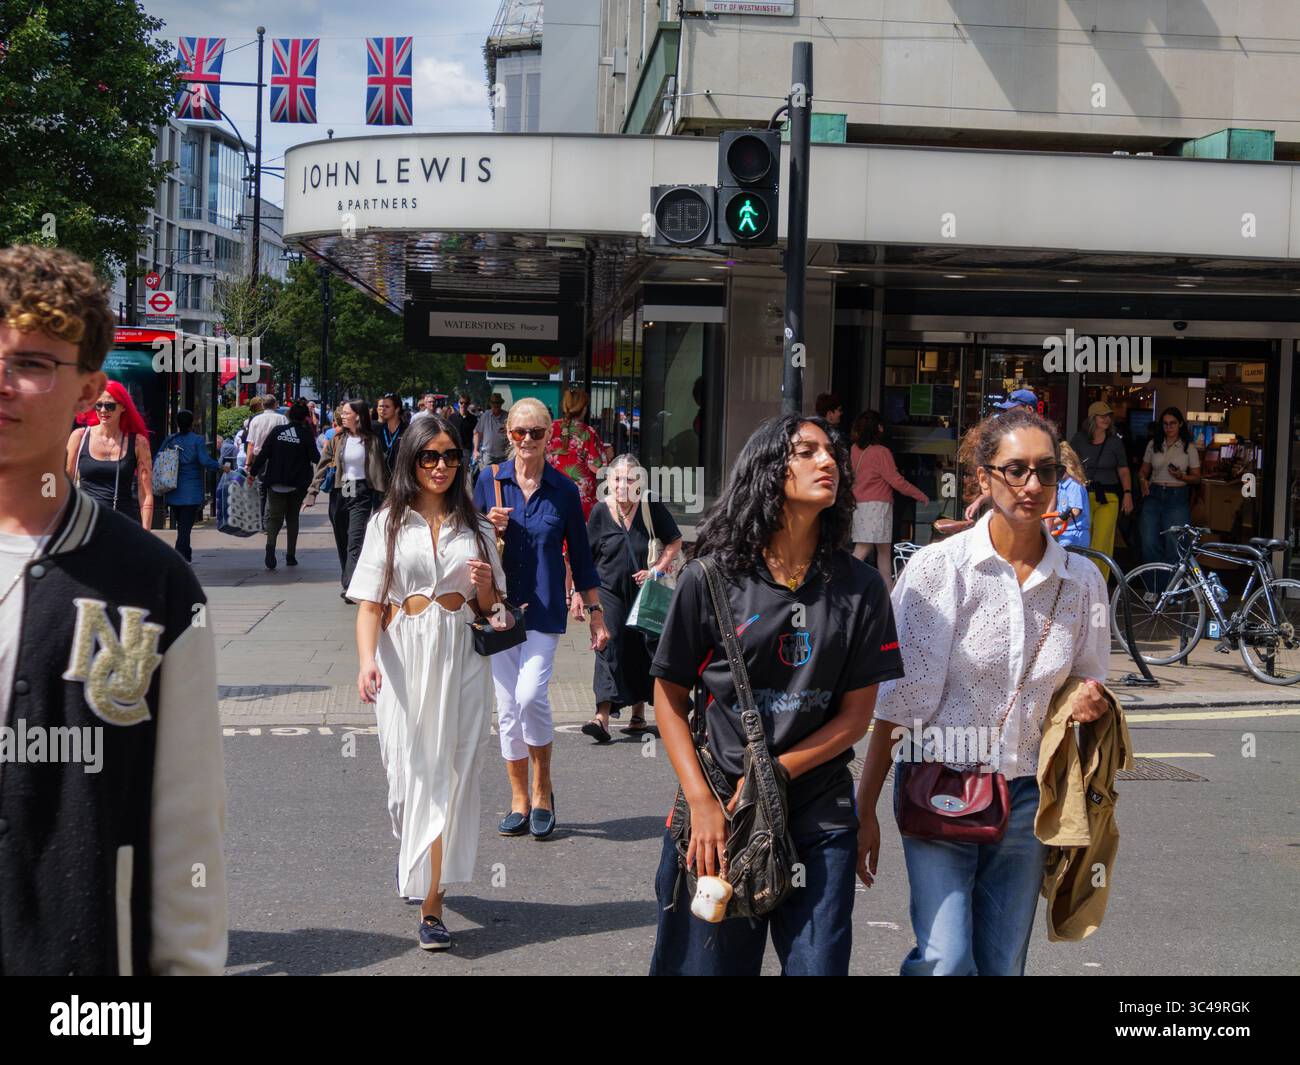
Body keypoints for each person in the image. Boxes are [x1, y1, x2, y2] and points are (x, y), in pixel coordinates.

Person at [0, 244, 225, 974]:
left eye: (33, 363)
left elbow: (187, 840)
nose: (3, 382)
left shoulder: (156, 590)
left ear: (88, 388)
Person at [647, 413, 904, 976]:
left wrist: (780, 772)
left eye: (831, 452)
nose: (828, 461)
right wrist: (700, 802)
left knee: (818, 968)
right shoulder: (710, 578)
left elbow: (857, 716)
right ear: (767, 470)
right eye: (806, 451)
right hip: (723, 815)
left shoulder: (861, 588)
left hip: (820, 815)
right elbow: (667, 697)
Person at [858, 406, 1110, 976]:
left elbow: (1090, 676)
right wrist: (865, 807)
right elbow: (895, 706)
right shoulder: (937, 571)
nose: (1032, 485)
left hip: (1026, 795)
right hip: (938, 783)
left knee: (1002, 964)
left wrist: (1086, 698)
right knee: (946, 960)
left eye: (1046, 471)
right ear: (983, 476)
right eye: (1015, 469)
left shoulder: (1083, 582)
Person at [351, 415, 512, 951]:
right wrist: (366, 661)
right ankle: (416, 857)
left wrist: (487, 588)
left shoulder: (479, 527)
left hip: (460, 655)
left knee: (447, 777)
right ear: (411, 461)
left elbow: (494, 611)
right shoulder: (387, 522)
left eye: (449, 456)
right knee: (405, 780)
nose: (441, 466)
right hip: (404, 657)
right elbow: (370, 603)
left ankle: (432, 904)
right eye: (429, 457)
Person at [473, 397, 609, 839]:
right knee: (508, 708)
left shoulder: (564, 490)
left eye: (536, 433)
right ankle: (518, 797)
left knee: (531, 696)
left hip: (545, 610)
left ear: (550, 436)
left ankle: (543, 788)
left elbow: (583, 559)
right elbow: (462, 541)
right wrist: (484, 525)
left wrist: (595, 612)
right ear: (507, 434)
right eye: (518, 432)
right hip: (498, 610)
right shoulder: (489, 481)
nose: (527, 440)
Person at [581, 454, 682, 743]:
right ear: (608, 482)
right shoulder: (600, 512)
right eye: (617, 479)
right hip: (608, 588)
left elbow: (674, 541)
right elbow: (587, 556)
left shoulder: (650, 506)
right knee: (607, 642)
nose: (623, 484)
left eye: (630, 479)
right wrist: (579, 594)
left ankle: (638, 714)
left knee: (641, 646)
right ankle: (601, 716)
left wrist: (656, 570)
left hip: (645, 590)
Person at [306, 400, 390, 598]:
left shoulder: (372, 440)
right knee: (342, 538)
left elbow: (380, 470)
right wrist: (312, 492)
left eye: (346, 413)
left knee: (355, 538)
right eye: (342, 413)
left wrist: (387, 496)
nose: (342, 416)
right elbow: (322, 466)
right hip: (342, 489)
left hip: (362, 490)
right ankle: (348, 575)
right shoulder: (337, 439)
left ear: (358, 416)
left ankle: (351, 585)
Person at [849, 410, 928, 595]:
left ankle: (890, 595)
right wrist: (919, 494)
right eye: (880, 425)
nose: (883, 428)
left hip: (860, 505)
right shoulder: (881, 452)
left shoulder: (855, 449)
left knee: (882, 552)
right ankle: (842, 584)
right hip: (878, 506)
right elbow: (896, 480)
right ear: (876, 428)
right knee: (867, 550)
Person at [66, 379, 154, 528]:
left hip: (123, 523)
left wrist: (146, 532)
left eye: (110, 406)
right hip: (85, 524)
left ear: (123, 407)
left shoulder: (138, 443)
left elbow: (145, 493)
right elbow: (64, 480)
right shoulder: (79, 437)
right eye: (98, 405)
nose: (103, 410)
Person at [1068, 401, 1133, 581]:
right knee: (1082, 540)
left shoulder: (1114, 442)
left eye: (1108, 416)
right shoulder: (1079, 439)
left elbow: (1124, 470)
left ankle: (1098, 584)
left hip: (1109, 497)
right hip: (1084, 495)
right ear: (1092, 418)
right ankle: (1080, 581)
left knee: (1102, 542)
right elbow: (1070, 466)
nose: (1106, 419)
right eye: (1102, 416)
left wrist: (1128, 494)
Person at [251, 400, 319, 570]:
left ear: (288, 416)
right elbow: (316, 457)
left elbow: (264, 454)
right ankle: (290, 555)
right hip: (297, 483)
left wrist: (252, 473)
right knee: (292, 518)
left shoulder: (277, 431)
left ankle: (270, 546)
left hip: (275, 481)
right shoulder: (305, 435)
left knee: (274, 518)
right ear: (305, 418)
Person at [1139, 406, 1200, 574]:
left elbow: (1196, 477)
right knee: (1149, 541)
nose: (1169, 427)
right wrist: (1143, 480)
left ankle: (1171, 592)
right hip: (1154, 493)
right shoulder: (1154, 444)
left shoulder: (1189, 447)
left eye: (1172, 423)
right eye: (1165, 424)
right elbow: (1143, 470)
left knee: (1175, 544)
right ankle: (1154, 587)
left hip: (1177, 495)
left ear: (1180, 424)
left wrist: (1182, 476)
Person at [157, 409, 222, 563]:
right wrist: (220, 467)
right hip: (191, 492)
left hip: (172, 490)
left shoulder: (170, 439)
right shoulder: (197, 440)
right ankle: (179, 557)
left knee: (182, 526)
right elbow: (204, 461)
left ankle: (186, 553)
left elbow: (158, 458)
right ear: (192, 423)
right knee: (185, 528)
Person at [963, 388, 1038, 521]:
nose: (1009, 416)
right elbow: (1000, 479)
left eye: (1014, 411)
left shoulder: (1041, 444)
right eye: (1008, 411)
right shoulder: (1008, 441)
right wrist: (980, 499)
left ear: (1030, 410)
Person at [546, 387, 606, 521]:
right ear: (583, 408)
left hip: (552, 494)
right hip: (580, 499)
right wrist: (607, 454)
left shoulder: (550, 428)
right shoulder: (588, 432)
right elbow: (597, 468)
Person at [1051, 441, 1091, 549]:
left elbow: (1075, 511)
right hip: (1065, 532)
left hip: (1075, 535)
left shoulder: (1074, 485)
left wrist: (1054, 523)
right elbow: (1060, 509)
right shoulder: (1062, 485)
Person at [376, 391, 407, 477]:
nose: (383, 409)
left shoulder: (408, 430)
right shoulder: (376, 429)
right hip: (379, 483)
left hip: (400, 481)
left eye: (387, 407)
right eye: (381, 406)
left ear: (397, 409)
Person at [474, 392, 508, 467]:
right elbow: (477, 432)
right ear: (491, 404)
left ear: (501, 404)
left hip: (503, 455)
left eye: (498, 403)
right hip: (488, 455)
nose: (496, 405)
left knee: (503, 477)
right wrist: (475, 450)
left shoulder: (507, 416)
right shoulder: (485, 415)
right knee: (487, 476)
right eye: (494, 403)